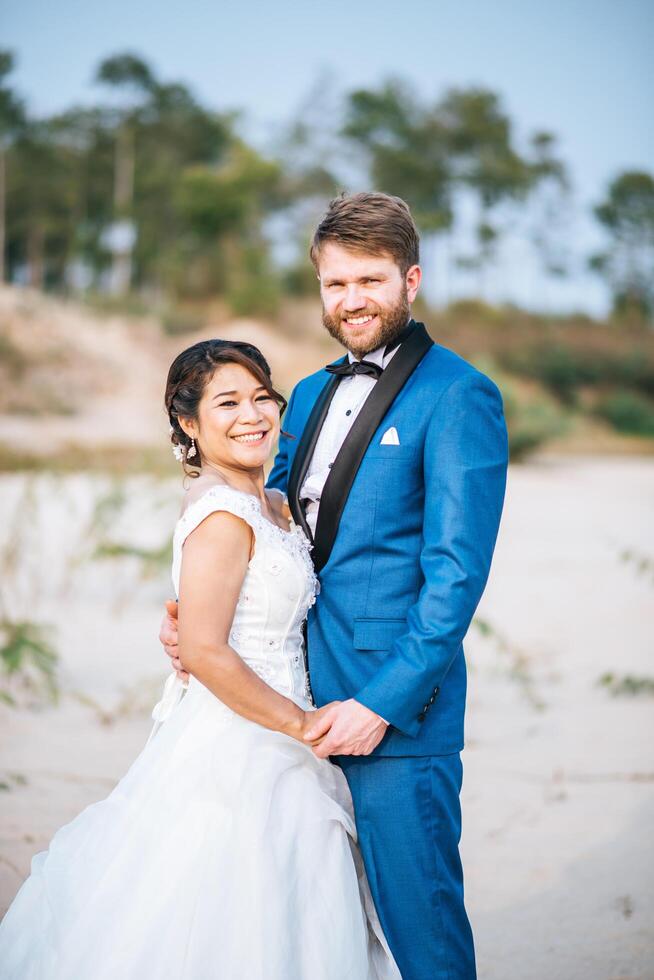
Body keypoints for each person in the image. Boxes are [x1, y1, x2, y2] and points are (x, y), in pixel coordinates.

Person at [162, 191, 509, 980]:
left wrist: (381, 704)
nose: (351, 300)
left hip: (393, 721)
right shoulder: (310, 394)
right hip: (286, 717)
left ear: (411, 280)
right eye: (335, 283)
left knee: (418, 930)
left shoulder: (460, 397)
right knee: (315, 930)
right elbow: (259, 523)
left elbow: (455, 578)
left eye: (371, 281)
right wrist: (187, 609)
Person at [0, 340, 401, 980]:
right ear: (189, 424)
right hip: (244, 742)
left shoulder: (271, 500)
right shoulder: (221, 513)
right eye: (227, 403)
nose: (252, 415)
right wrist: (301, 727)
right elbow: (207, 651)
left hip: (284, 723)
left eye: (261, 398)